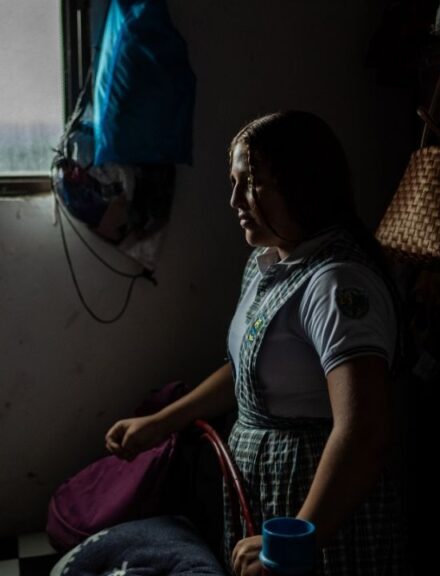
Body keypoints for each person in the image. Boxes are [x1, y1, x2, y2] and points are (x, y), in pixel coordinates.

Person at [104, 111, 406, 576]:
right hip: (268, 495)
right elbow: (246, 376)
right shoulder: (268, 262)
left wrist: (296, 540)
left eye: (252, 183)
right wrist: (161, 423)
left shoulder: (337, 284)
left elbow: (365, 431)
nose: (234, 200)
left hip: (317, 509)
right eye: (234, 181)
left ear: (303, 183)